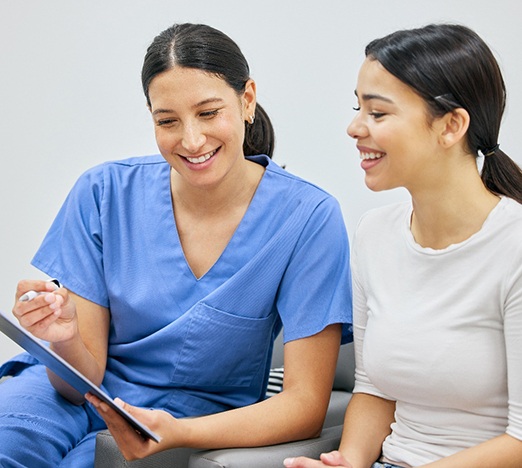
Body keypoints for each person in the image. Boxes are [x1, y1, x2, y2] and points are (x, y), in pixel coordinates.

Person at [0, 23, 353, 466]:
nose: (191, 140)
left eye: (208, 113)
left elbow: (304, 407)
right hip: (68, 399)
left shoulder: (307, 218)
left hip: (185, 415)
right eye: (167, 121)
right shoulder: (103, 192)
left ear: (247, 100)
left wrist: (176, 432)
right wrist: (64, 339)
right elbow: (77, 385)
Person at [285, 23, 522, 468]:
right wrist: (349, 461)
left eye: (378, 113)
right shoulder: (375, 233)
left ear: (451, 125)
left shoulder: (515, 248)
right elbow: (375, 390)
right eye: (358, 108)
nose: (355, 127)